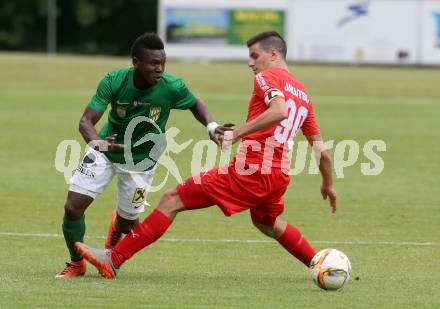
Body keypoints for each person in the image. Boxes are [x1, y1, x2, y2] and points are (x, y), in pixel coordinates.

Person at [74, 31, 339, 279]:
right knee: (267, 223)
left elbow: (279, 110)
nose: (250, 63)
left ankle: (114, 259)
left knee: (171, 199)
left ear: (274, 55)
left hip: (251, 172)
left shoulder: (267, 78)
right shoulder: (303, 94)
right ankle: (320, 265)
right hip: (278, 176)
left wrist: (237, 134)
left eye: (254, 56)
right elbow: (322, 151)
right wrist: (328, 183)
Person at [56, 32, 231, 278]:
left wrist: (212, 126)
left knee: (129, 225)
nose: (159, 68)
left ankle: (118, 223)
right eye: (153, 63)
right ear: (136, 62)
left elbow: (195, 103)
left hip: (142, 162)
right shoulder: (114, 81)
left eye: (163, 62)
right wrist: (99, 144)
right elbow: (86, 121)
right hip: (106, 151)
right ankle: (76, 263)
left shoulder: (172, 86)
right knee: (73, 207)